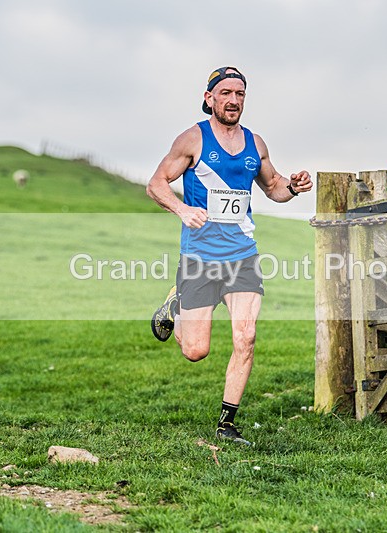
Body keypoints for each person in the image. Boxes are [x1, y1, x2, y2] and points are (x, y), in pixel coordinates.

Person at [146, 66, 312, 446]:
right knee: (195, 351)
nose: (234, 100)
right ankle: (175, 304)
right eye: (226, 93)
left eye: (240, 93)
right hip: (200, 258)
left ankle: (226, 423)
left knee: (246, 336)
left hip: (243, 256)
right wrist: (182, 210)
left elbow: (274, 188)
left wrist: (295, 187)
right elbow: (156, 184)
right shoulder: (192, 139)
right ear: (210, 98)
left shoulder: (256, 144)